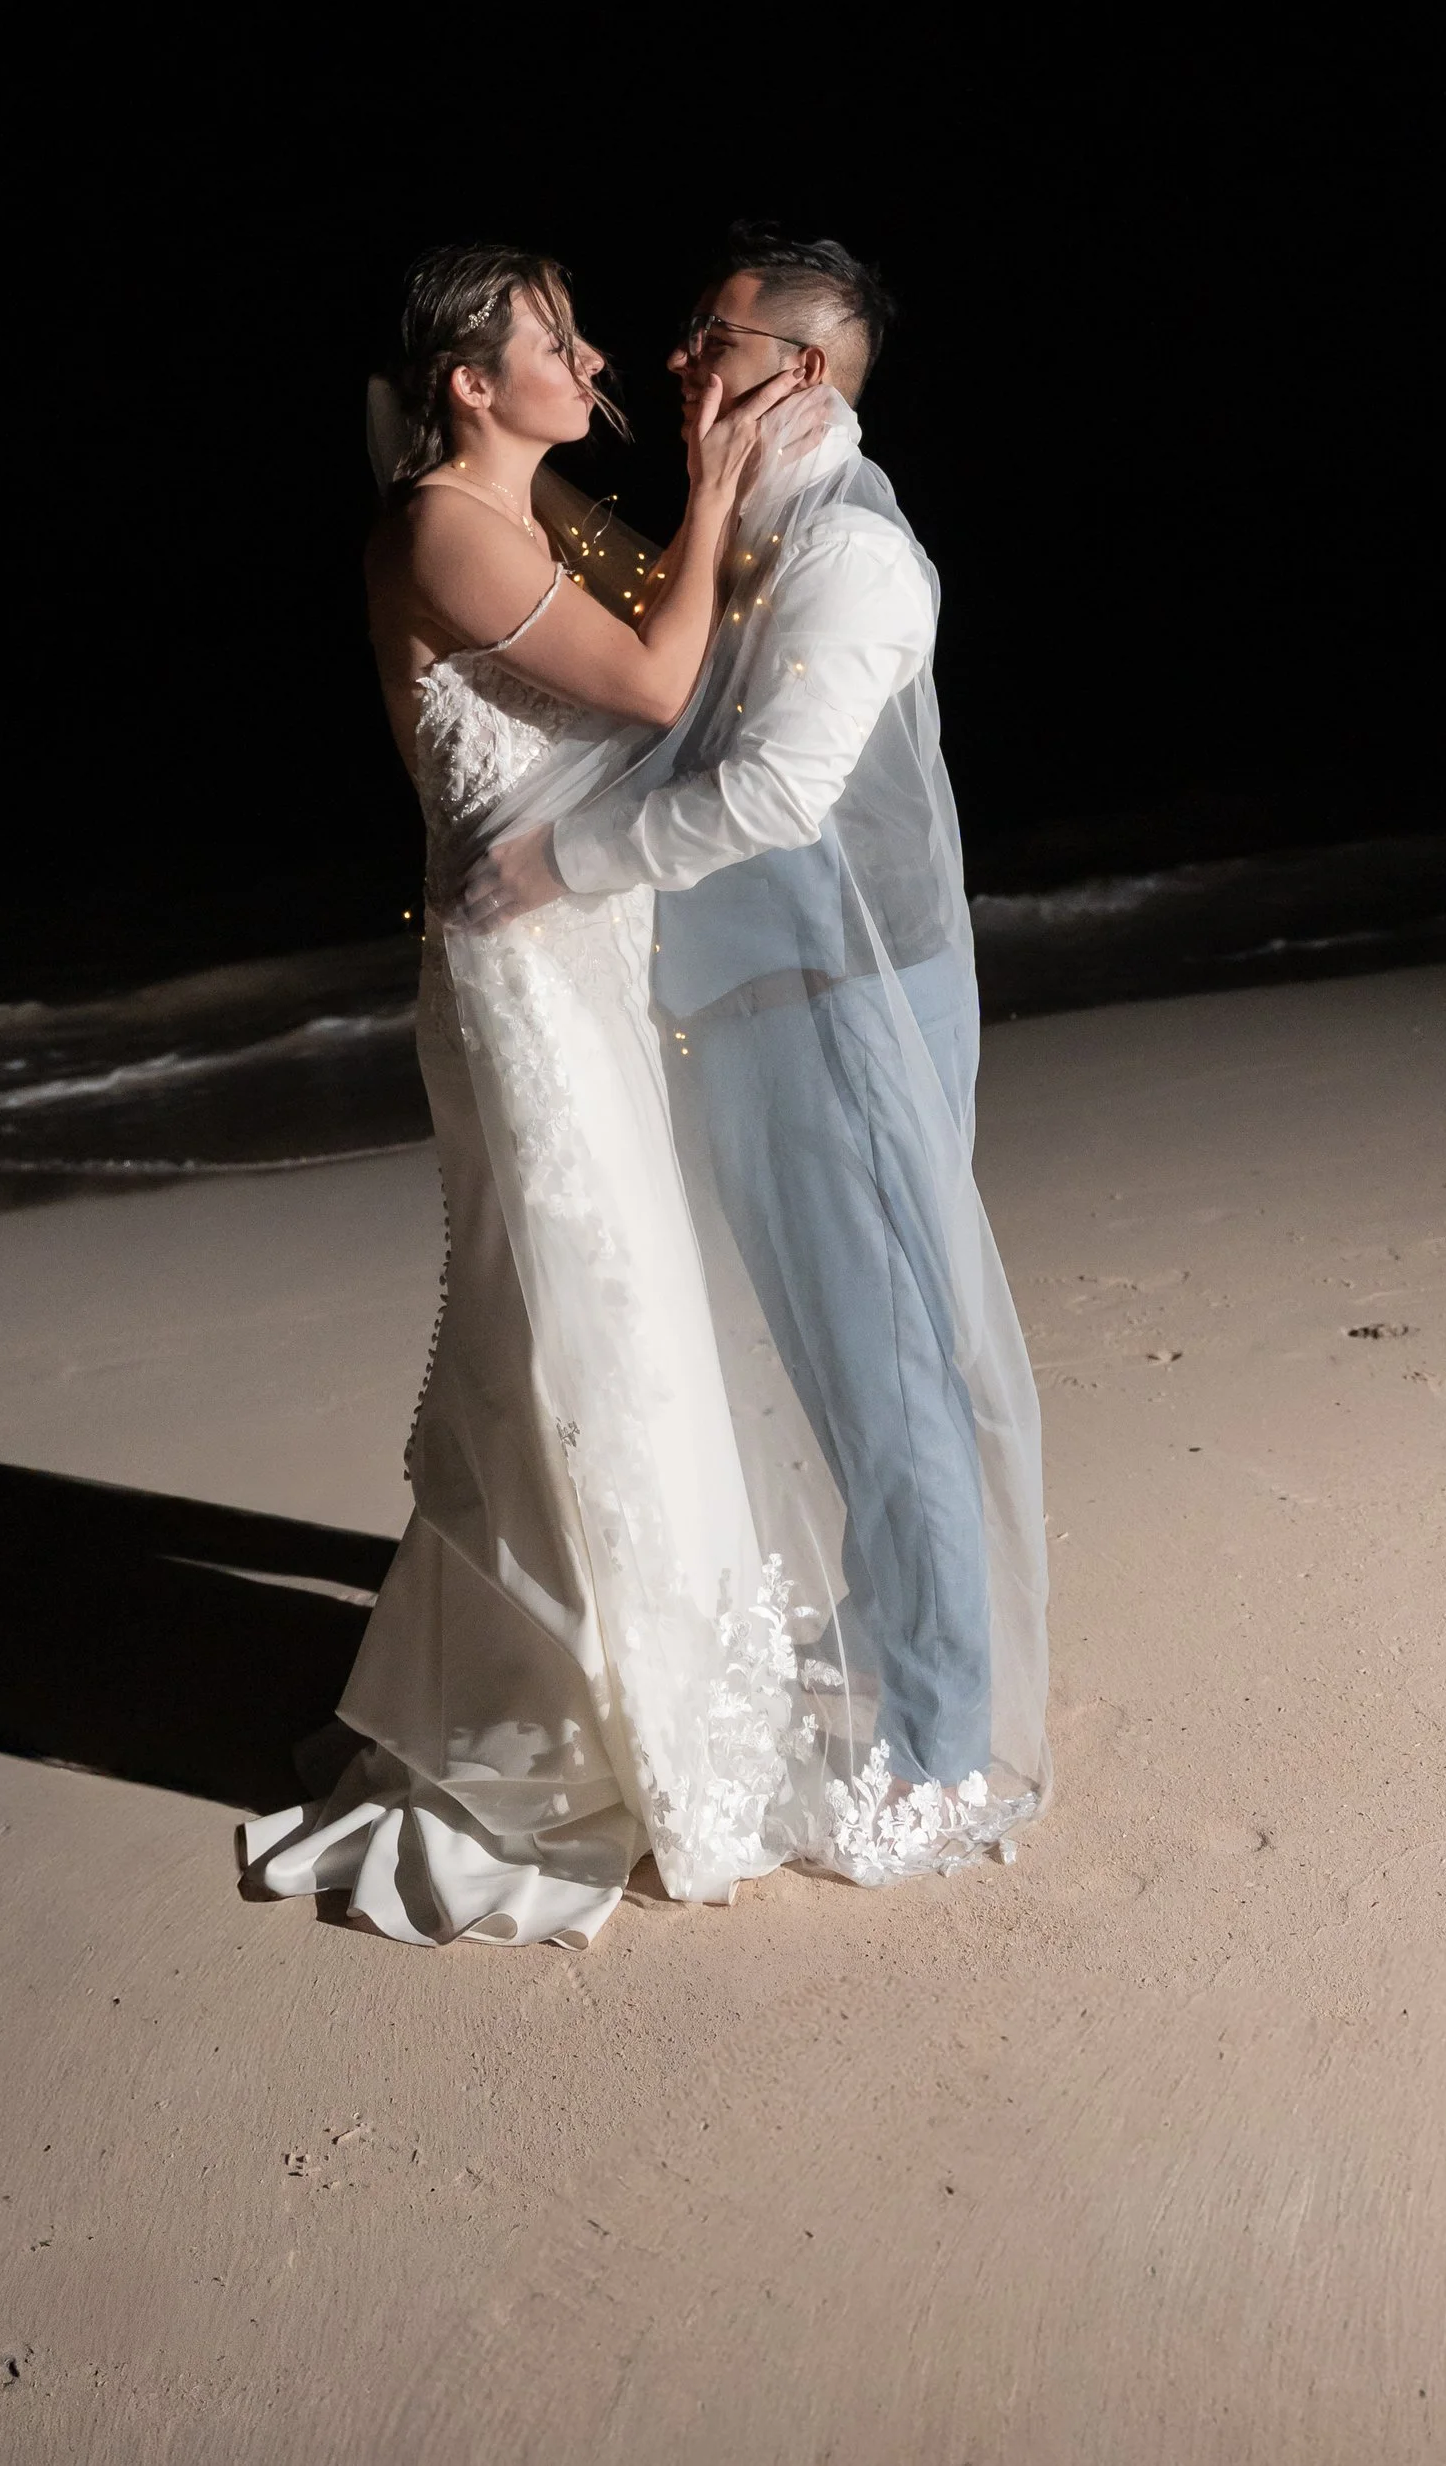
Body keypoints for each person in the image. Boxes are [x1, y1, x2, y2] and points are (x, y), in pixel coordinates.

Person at [243, 245, 815, 1946]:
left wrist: (741, 488)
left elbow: (706, 650)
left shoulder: (536, 514)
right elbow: (654, 680)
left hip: (581, 972)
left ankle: (625, 1684)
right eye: (549, 343)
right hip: (521, 998)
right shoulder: (441, 523)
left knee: (603, 1313)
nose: (587, 360)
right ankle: (571, 1719)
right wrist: (708, 482)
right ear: (471, 386)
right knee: (586, 1319)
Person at [463, 229, 1046, 1831]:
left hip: (853, 1005)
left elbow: (779, 790)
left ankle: (939, 1743)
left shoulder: (855, 554)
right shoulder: (760, 515)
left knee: (891, 1364)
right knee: (831, 1337)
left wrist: (566, 862)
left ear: (792, 371)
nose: (675, 360)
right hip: (778, 995)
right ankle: (898, 1633)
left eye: (706, 340)